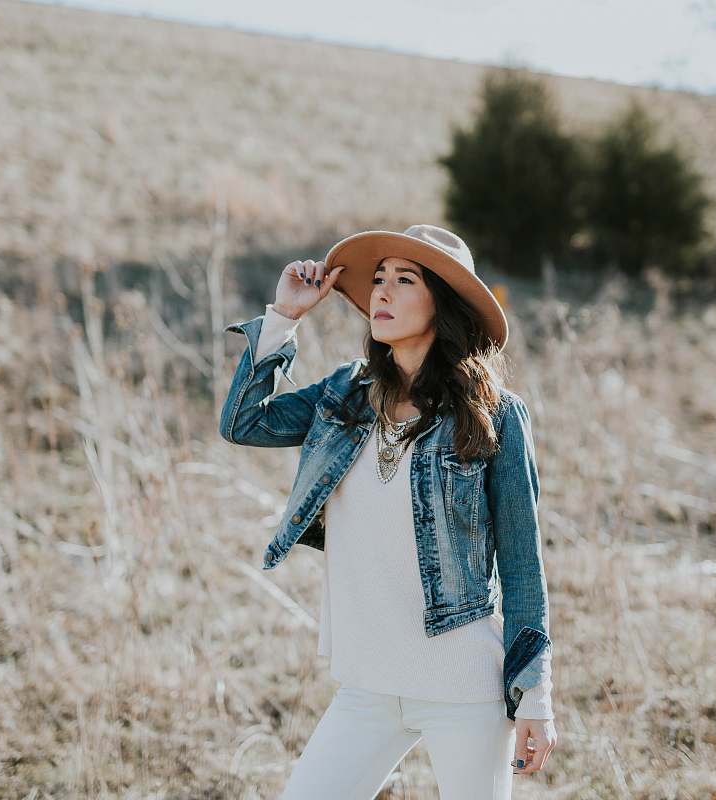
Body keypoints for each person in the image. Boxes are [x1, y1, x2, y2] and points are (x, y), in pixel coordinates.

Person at [219, 224, 557, 798]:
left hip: (463, 685)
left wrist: (536, 696)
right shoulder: (344, 396)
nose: (382, 292)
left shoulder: (495, 417)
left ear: (442, 302)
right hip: (368, 682)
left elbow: (524, 565)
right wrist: (283, 317)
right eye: (378, 279)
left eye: (405, 280)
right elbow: (244, 423)